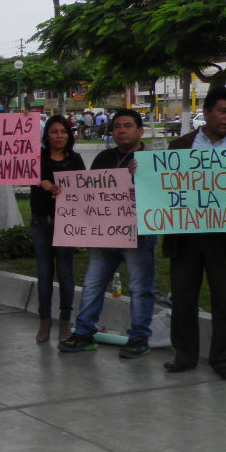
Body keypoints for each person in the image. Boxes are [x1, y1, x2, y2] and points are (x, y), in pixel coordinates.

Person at [163, 87, 226, 380]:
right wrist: (142, 175)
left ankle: (225, 359)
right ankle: (185, 356)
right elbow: (164, 186)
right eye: (223, 111)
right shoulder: (180, 146)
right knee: (183, 299)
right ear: (206, 113)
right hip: (186, 236)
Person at [60, 109, 157, 358]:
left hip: (138, 235)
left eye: (127, 125)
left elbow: (160, 196)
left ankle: (139, 339)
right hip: (104, 235)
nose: (121, 130)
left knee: (139, 288)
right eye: (117, 127)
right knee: (92, 284)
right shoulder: (103, 157)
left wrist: (143, 178)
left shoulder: (152, 160)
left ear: (140, 131)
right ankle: (83, 333)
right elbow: (90, 194)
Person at [28, 115, 85, 343]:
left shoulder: (75, 160)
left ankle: (64, 321)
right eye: (54, 131)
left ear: (69, 135)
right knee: (44, 274)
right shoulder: (36, 159)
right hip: (41, 222)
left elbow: (83, 189)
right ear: (47, 135)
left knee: (65, 273)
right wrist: (41, 184)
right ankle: (44, 321)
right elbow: (23, 175)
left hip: (66, 223)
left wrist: (62, 188)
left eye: (63, 131)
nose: (59, 136)